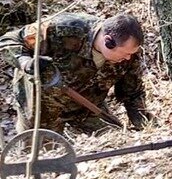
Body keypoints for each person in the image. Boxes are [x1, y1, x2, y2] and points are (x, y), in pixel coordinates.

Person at [0, 12, 153, 135]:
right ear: (108, 42)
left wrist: (144, 126)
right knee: (40, 161)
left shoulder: (129, 56)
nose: (128, 58)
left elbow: (132, 93)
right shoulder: (64, 28)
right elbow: (9, 41)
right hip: (40, 107)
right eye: (125, 53)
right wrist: (25, 62)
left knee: (115, 141)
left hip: (87, 107)